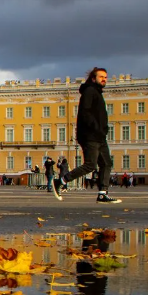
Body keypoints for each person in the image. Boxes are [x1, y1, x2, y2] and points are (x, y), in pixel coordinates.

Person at [51, 67, 120, 203]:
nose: (104, 79)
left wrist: (102, 131)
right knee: (90, 165)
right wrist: (96, 128)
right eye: (101, 77)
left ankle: (102, 193)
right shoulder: (89, 91)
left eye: (106, 77)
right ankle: (61, 181)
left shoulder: (98, 93)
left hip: (99, 136)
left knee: (106, 163)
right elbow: (85, 113)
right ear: (93, 79)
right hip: (90, 135)